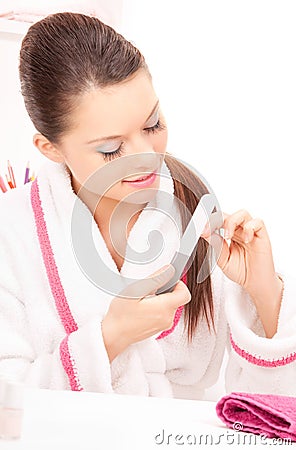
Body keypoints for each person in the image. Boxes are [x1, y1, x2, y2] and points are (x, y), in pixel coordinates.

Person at [0, 11, 295, 399]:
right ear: (51, 148)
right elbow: (9, 404)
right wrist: (109, 339)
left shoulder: (195, 216)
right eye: (110, 148)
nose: (145, 157)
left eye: (152, 124)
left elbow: (261, 409)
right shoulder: (12, 233)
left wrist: (264, 291)